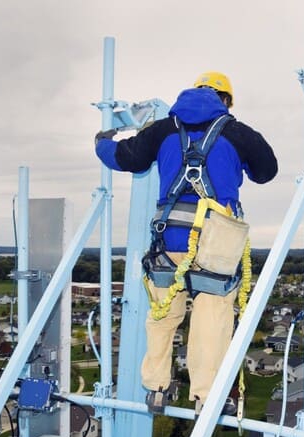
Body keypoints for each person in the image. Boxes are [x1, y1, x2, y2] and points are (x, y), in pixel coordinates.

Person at [95, 71, 278, 415]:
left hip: (170, 237)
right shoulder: (238, 132)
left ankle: (156, 389)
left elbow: (125, 157)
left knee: (163, 314)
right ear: (226, 101)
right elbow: (266, 171)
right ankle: (205, 397)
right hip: (216, 242)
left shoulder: (164, 129)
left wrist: (101, 142)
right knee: (211, 318)